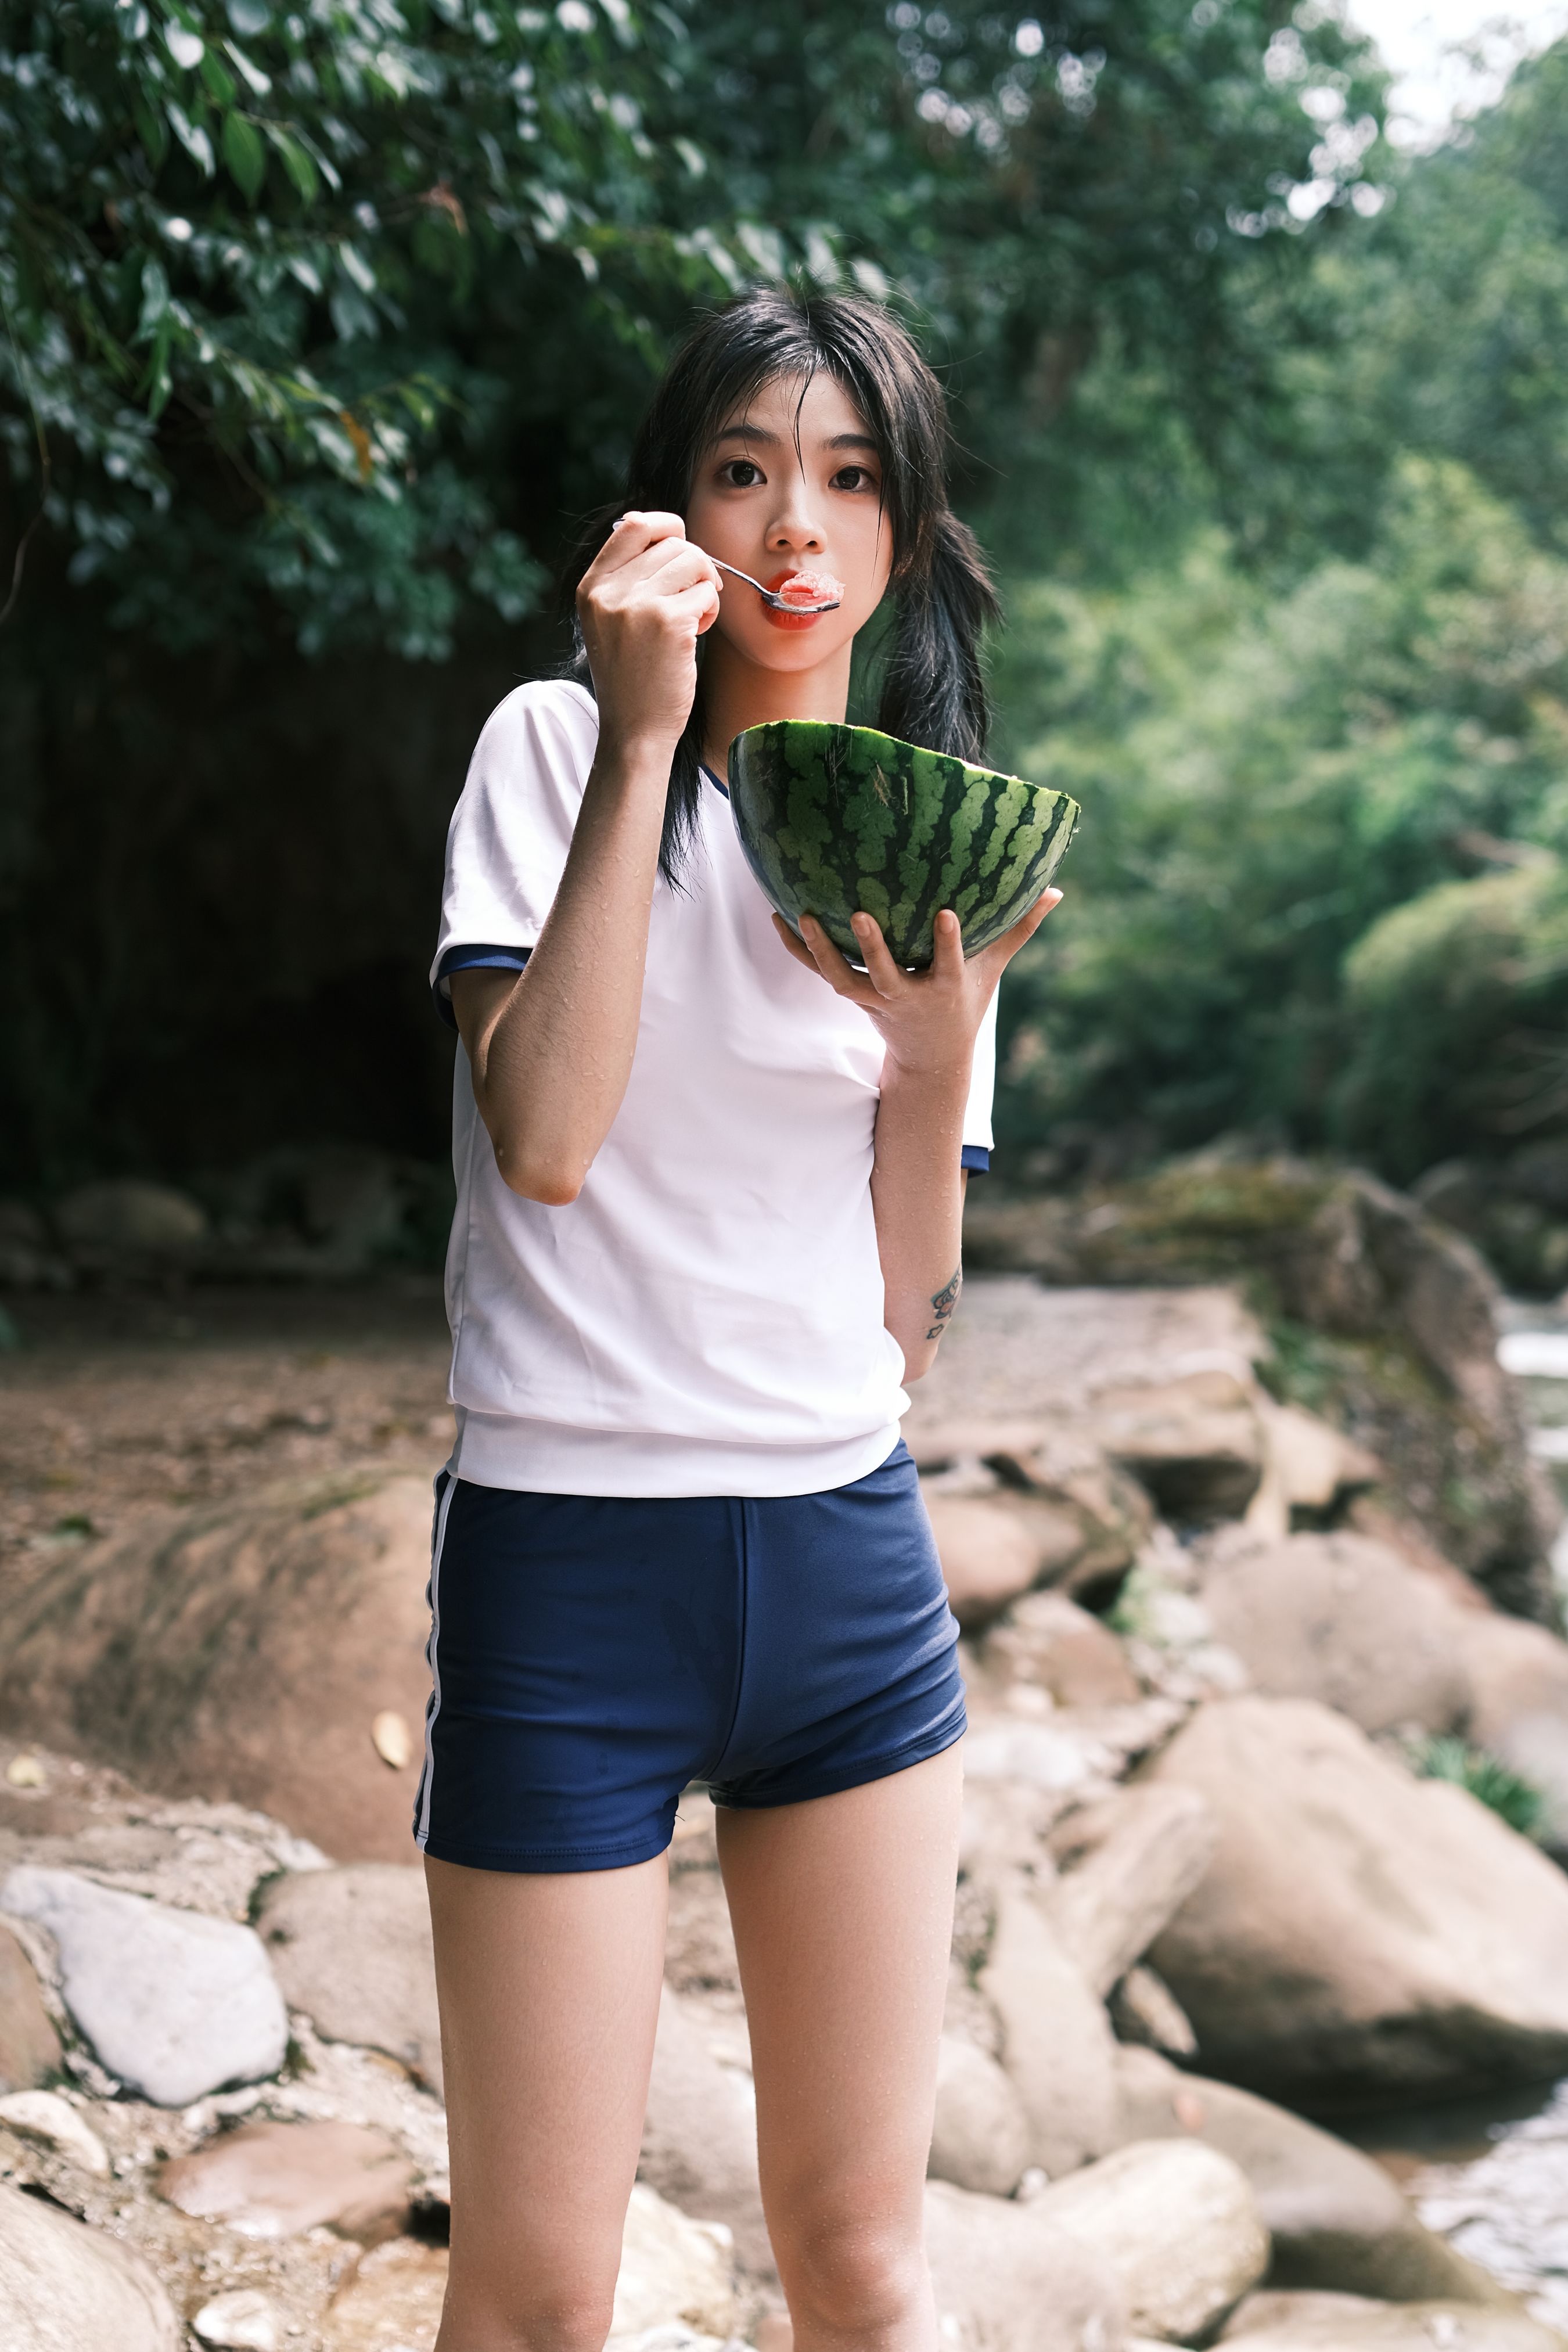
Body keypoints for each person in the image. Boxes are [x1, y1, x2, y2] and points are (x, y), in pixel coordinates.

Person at [420, 285, 1060, 2352]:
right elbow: (542, 1135)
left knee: (867, 2266)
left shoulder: (936, 833)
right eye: (746, 468)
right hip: (569, 1562)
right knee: (539, 2290)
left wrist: (936, 1049)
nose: (799, 523)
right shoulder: (550, 746)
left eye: (852, 478)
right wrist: (635, 738)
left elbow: (906, 1317)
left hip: (844, 1570)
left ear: (903, 532)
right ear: (673, 510)